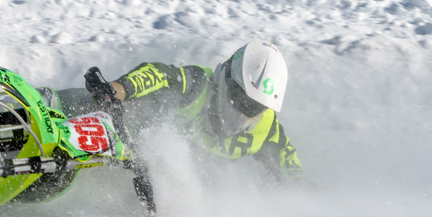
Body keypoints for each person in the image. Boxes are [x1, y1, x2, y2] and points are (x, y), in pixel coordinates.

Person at [47, 40, 302, 179]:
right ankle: (45, 104)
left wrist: (306, 193)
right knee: (96, 102)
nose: (245, 111)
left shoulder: (267, 129)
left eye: (256, 107)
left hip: (159, 194)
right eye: (242, 99)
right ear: (227, 80)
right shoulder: (199, 84)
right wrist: (120, 88)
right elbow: (160, 74)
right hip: (128, 138)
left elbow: (293, 174)